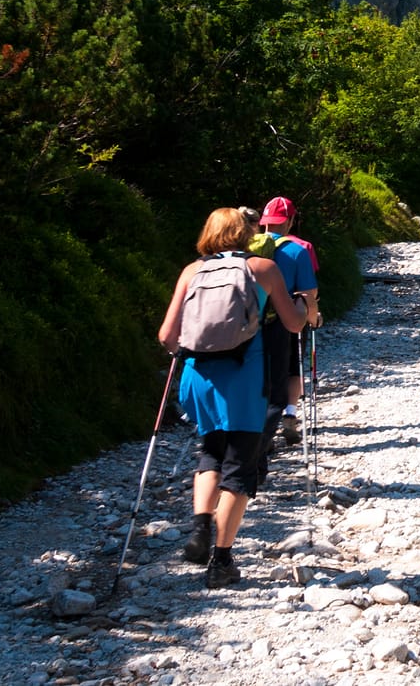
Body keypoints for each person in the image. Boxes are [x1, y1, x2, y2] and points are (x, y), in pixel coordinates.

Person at [156, 207, 306, 588]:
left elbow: (166, 337)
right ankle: (221, 561)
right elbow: (292, 324)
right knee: (241, 464)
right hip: (244, 376)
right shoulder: (262, 269)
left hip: (198, 377)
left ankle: (200, 529)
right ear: (246, 233)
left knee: (211, 451)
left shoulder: (192, 272)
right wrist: (304, 306)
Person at [256, 197, 321, 444]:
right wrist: (312, 317)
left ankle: (251, 435)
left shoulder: (244, 246)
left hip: (245, 324)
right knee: (287, 374)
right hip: (284, 324)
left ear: (264, 221)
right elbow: (308, 294)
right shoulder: (297, 250)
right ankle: (284, 421)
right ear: (291, 221)